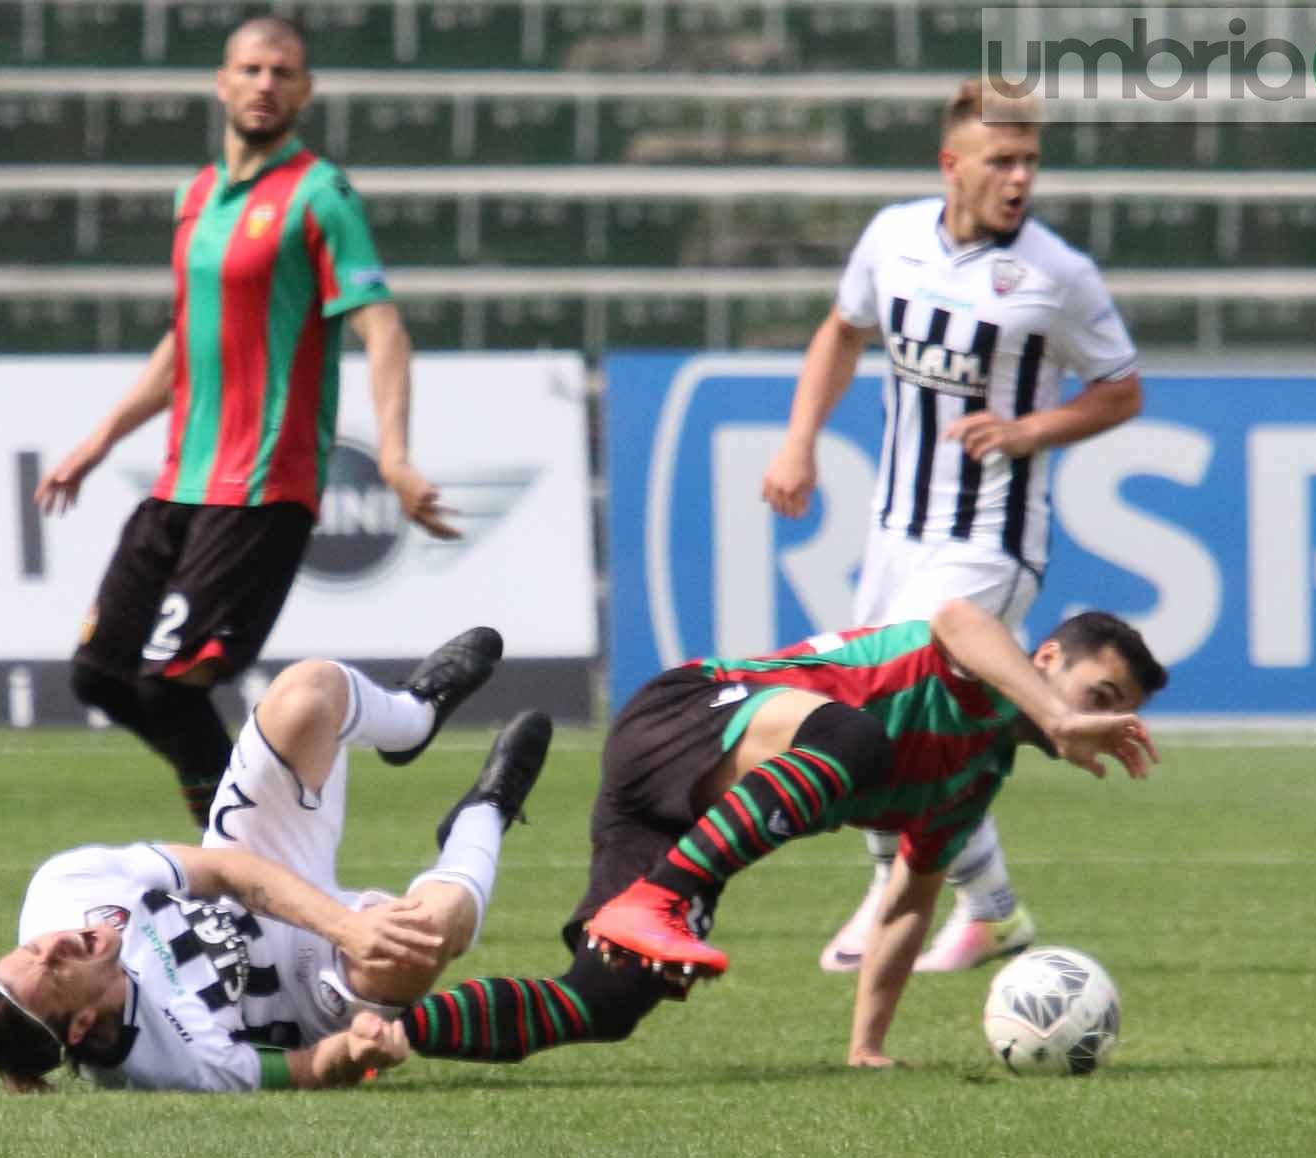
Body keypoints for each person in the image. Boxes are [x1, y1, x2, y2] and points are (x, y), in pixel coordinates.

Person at [385, 600, 1165, 1069]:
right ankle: (655, 901)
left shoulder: (974, 782)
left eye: (1114, 708)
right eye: (1098, 694)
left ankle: (380, 1033)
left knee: (604, 1003)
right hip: (686, 715)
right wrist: (1058, 715)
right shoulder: (967, 666)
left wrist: (866, 1045)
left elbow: (904, 904)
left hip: (685, 815)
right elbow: (958, 616)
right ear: (1047, 658)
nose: (1099, 719)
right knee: (855, 743)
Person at [760, 77, 1146, 974]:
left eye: (1031, 162)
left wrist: (1029, 430)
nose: (1019, 179)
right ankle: (957, 903)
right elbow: (841, 329)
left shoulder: (1058, 275)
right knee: (861, 711)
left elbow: (1122, 387)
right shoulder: (893, 238)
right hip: (895, 528)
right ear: (952, 165)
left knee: (896, 711)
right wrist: (798, 444)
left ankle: (980, 907)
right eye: (1002, 160)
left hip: (990, 541)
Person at [34, 14, 457, 828]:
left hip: (262, 486)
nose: (266, 85)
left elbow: (383, 327)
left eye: (284, 73)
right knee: (102, 675)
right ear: (222, 82)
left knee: (171, 682)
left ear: (306, 91)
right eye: (252, 69)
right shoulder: (195, 197)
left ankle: (248, 856)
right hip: (180, 481)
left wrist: (396, 455)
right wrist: (98, 440)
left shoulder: (320, 195)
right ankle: (259, 831)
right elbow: (182, 342)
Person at [0, 626, 551, 1092]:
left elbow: (225, 871)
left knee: (305, 692)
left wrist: (345, 923)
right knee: (420, 937)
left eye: (31, 949)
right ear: (84, 1026)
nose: (55, 943)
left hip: (253, 877)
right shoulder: (167, 1069)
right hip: (307, 990)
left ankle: (413, 716)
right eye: (54, 971)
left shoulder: (61, 891)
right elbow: (302, 1070)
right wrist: (356, 1051)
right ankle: (487, 814)